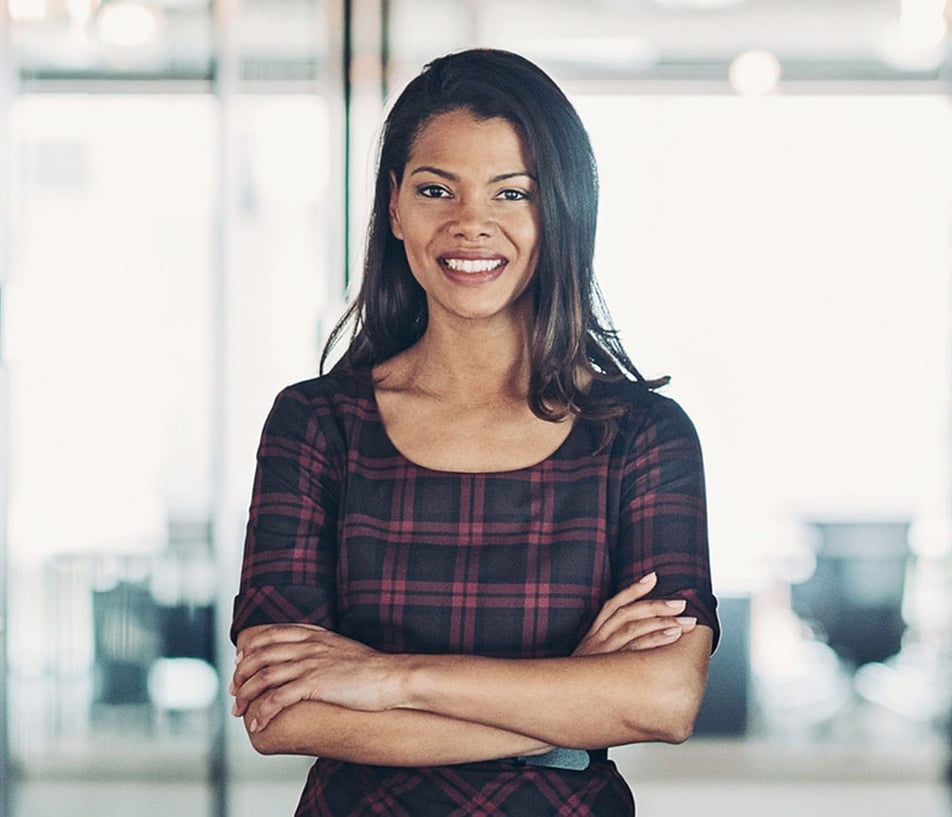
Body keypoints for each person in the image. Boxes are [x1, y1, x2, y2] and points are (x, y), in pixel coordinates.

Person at [229, 47, 719, 816]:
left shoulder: (642, 438)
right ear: (394, 206)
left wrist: (390, 678)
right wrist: (565, 701)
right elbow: (285, 711)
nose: (471, 224)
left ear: (559, 210)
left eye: (512, 193)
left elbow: (662, 698)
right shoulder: (316, 424)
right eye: (435, 189)